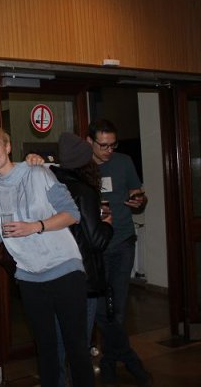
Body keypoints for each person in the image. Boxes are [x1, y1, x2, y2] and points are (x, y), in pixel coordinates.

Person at [0, 126, 94, 387]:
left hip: (64, 269)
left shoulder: (37, 172)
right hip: (29, 277)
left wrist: (35, 226)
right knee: (46, 348)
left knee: (76, 346)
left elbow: (72, 214)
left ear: (8, 147)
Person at [86, 119, 151, 386]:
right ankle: (127, 359)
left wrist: (139, 200)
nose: (108, 150)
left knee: (119, 310)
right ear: (89, 141)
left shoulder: (124, 162)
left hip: (123, 242)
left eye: (112, 145)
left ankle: (109, 361)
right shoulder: (81, 167)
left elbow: (138, 193)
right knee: (102, 310)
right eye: (103, 145)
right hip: (96, 248)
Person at [50, 132, 114, 387]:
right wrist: (107, 224)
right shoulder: (83, 191)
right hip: (83, 279)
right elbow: (96, 240)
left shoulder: (52, 184)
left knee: (57, 343)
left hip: (56, 275)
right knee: (78, 346)